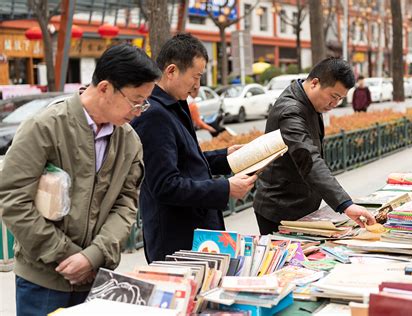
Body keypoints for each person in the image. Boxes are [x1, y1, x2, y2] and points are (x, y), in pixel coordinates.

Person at [0, 44, 160, 316]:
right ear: (105, 88)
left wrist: (94, 256)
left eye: (144, 102)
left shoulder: (129, 141)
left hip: (98, 279)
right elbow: (13, 199)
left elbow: (126, 205)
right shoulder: (45, 127)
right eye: (135, 100)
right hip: (43, 281)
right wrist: (64, 254)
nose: (138, 110)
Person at [131, 33, 257, 263]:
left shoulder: (175, 105)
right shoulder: (154, 115)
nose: (197, 86)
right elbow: (165, 185)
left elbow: (187, 161)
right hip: (178, 239)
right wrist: (224, 189)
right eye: (195, 76)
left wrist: (226, 157)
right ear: (171, 71)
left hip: (198, 233)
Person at [253, 57, 376, 235]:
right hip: (280, 208)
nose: (334, 104)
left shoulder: (308, 102)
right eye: (333, 97)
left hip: (300, 204)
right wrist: (345, 204)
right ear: (315, 83)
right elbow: (309, 159)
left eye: (340, 99)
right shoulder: (291, 110)